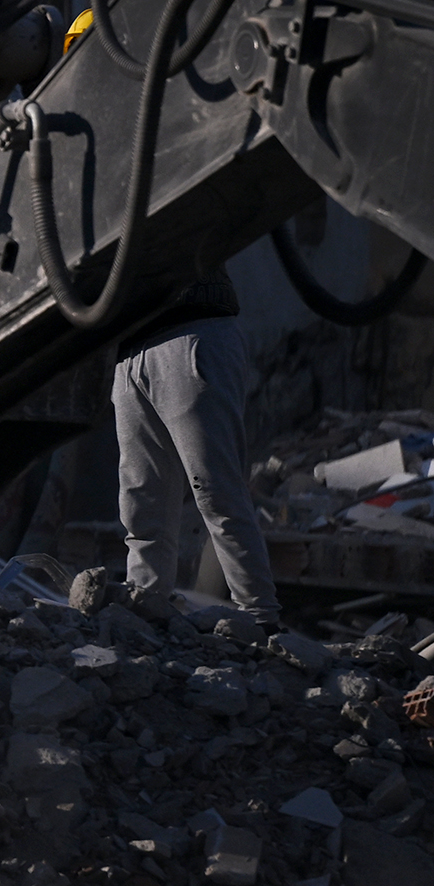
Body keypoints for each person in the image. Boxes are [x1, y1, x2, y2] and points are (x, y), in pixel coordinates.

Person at [113, 265, 281, 621]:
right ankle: (145, 609)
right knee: (141, 500)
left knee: (216, 490)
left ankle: (259, 618)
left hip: (192, 331)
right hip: (130, 349)